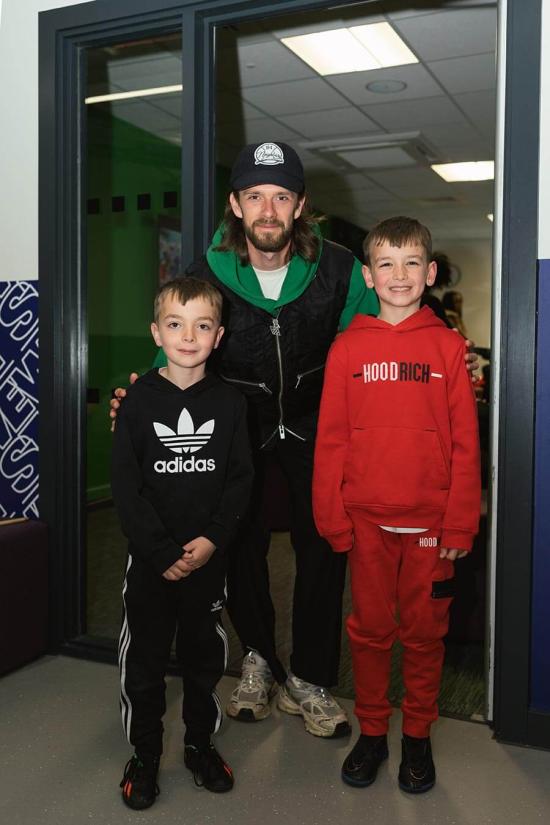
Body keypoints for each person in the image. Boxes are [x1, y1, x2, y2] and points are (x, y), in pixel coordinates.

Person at [110, 141, 479, 740]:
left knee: (325, 548)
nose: (268, 209)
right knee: (240, 543)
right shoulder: (206, 273)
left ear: (301, 205)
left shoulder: (337, 267)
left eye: (281, 196)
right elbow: (177, 339)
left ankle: (309, 677)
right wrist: (142, 395)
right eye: (255, 196)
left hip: (317, 425)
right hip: (236, 425)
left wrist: (430, 366)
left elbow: (382, 328)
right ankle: (259, 656)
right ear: (235, 204)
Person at [312, 216, 480, 793]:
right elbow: (331, 438)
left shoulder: (448, 346)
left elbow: (464, 443)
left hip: (431, 524)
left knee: (425, 634)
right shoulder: (347, 349)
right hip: (366, 523)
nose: (399, 274)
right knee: (369, 631)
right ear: (368, 274)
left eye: (412, 263)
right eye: (386, 263)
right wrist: (330, 517)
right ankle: (375, 733)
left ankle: (417, 738)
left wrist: (461, 521)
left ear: (430, 273)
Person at [112, 277, 253, 809]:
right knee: (145, 664)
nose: (188, 336)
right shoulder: (137, 401)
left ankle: (199, 745)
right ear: (156, 332)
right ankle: (145, 755)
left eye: (202, 325)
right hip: (151, 565)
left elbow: (241, 480)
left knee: (203, 661)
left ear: (218, 336)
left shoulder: (232, 403)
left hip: (206, 563)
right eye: (175, 324)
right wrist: (160, 551)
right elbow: (126, 487)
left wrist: (214, 539)